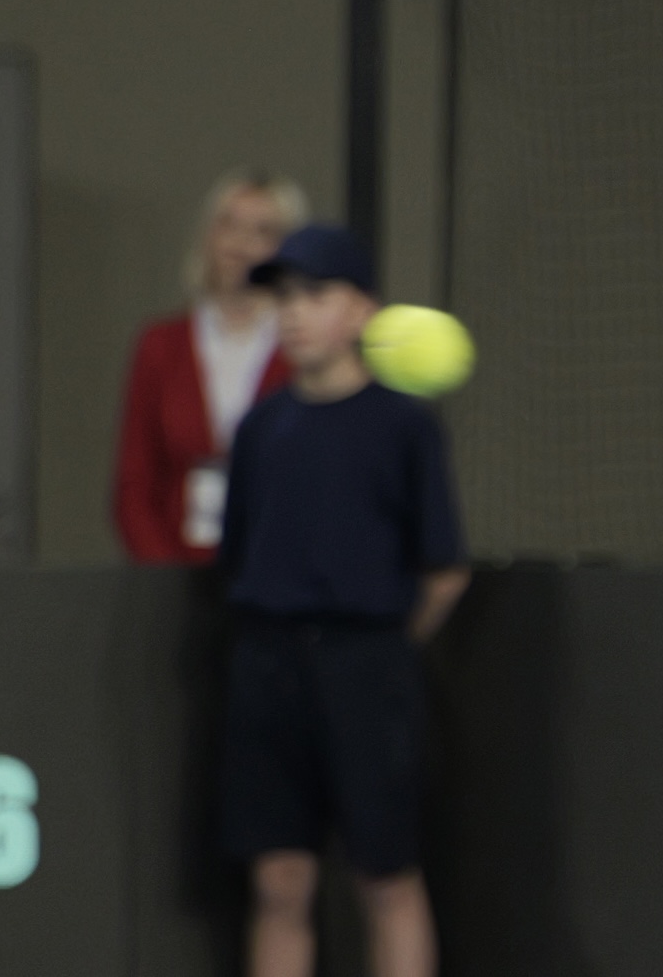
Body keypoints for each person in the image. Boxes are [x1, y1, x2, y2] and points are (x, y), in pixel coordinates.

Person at [218, 224, 471, 977]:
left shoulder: (405, 426)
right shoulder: (261, 428)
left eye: (315, 294)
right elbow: (239, 551)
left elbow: (444, 569)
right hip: (268, 667)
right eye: (284, 297)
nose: (294, 312)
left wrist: (381, 649)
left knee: (385, 873)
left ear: (362, 309)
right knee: (279, 878)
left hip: (367, 665)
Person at [114, 168, 307, 563]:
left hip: (282, 569)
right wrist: (164, 574)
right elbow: (135, 481)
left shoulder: (302, 349)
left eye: (262, 231)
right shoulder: (161, 345)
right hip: (177, 565)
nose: (240, 243)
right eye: (228, 225)